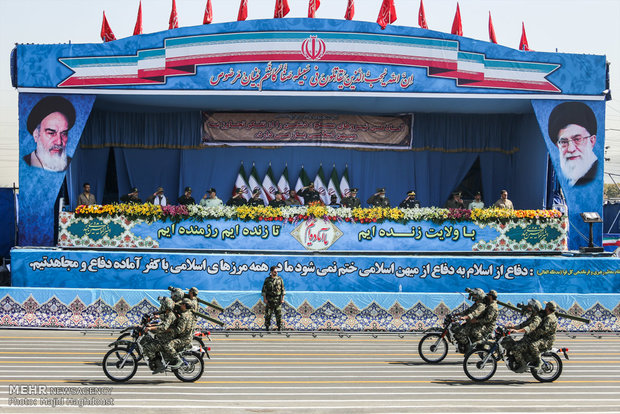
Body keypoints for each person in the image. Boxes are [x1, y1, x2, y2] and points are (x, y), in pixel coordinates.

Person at [548, 102, 599, 186]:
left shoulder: (592, 176)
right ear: (558, 146)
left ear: (592, 141)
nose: (571, 149)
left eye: (577, 139)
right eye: (564, 142)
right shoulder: (571, 180)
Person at [23, 96, 76, 172]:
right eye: (51, 133)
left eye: (64, 133)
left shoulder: (72, 165)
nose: (59, 142)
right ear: (36, 135)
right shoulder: (24, 164)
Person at [511, 301, 558, 372]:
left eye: (546, 307)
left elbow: (542, 330)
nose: (544, 308)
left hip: (547, 339)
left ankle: (538, 362)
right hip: (541, 337)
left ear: (548, 308)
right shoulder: (544, 314)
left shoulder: (549, 318)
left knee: (532, 345)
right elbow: (525, 323)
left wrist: (527, 331)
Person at [143, 296, 177, 373]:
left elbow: (164, 327)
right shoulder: (167, 313)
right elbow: (162, 324)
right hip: (165, 335)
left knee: (148, 347)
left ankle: (160, 366)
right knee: (153, 340)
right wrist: (152, 326)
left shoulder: (170, 315)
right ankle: (158, 359)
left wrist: (151, 328)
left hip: (167, 337)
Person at [453, 288, 487, 353]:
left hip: (476, 325)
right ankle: (463, 346)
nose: (473, 296)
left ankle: (468, 348)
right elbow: (468, 310)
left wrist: (466, 317)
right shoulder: (475, 304)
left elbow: (474, 313)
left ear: (478, 296)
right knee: (457, 329)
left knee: (460, 334)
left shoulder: (481, 305)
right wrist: (458, 314)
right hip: (470, 324)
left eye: (474, 295)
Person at [262, 266, 286, 331]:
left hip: (277, 300)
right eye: (275, 272)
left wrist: (282, 298)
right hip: (269, 300)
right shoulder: (267, 280)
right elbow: (264, 290)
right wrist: (264, 299)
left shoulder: (280, 279)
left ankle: (279, 327)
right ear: (271, 272)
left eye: (277, 271)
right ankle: (267, 326)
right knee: (268, 314)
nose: (276, 273)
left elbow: (283, 289)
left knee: (278, 314)